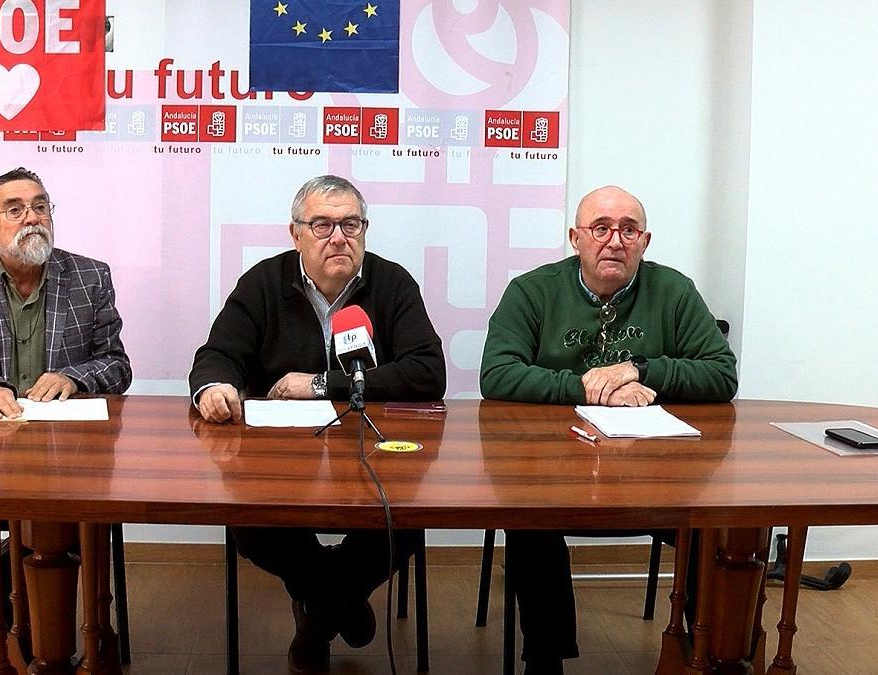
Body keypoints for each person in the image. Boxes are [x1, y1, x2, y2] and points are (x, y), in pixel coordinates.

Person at [190, 174, 445, 673]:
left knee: (404, 523)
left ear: (364, 231)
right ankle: (339, 600)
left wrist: (323, 383)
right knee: (252, 526)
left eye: (350, 224)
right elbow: (218, 354)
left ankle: (316, 616)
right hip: (279, 459)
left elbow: (426, 371)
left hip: (374, 456)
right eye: (323, 224)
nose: (338, 237)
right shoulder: (263, 282)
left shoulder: (391, 283)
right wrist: (215, 386)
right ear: (296, 233)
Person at [480, 185, 738, 675]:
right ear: (576, 238)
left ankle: (711, 652)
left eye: (628, 229)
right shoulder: (532, 291)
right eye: (600, 229)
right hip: (552, 466)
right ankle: (545, 658)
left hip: (656, 473)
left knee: (711, 523)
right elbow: (496, 374)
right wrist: (590, 387)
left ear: (645, 240)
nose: (614, 240)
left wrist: (640, 369)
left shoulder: (673, 290)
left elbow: (721, 374)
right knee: (530, 519)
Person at [0, 167, 132, 626]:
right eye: (14, 210)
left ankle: (9, 610)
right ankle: (11, 610)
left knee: (59, 535)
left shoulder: (89, 276)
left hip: (66, 455)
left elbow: (116, 364)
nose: (32, 217)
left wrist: (73, 377)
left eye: (40, 206)